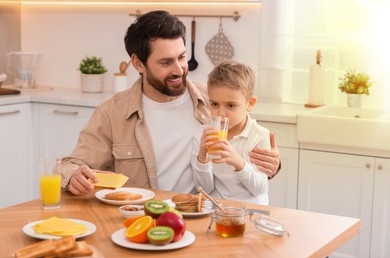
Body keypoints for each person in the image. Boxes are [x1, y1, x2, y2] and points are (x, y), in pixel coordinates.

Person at [61, 10, 281, 196]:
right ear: (138, 63)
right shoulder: (112, 113)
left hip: (200, 218)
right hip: (140, 220)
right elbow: (70, 165)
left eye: (182, 57)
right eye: (166, 62)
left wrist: (271, 165)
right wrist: (74, 175)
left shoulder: (213, 100)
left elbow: (247, 151)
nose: (179, 69)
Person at [191, 60, 270, 205]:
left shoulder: (259, 136)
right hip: (218, 208)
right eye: (214, 104)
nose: (221, 113)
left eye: (231, 105)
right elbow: (204, 189)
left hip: (251, 210)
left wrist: (238, 162)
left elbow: (259, 189)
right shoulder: (203, 134)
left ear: (250, 104)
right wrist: (202, 158)